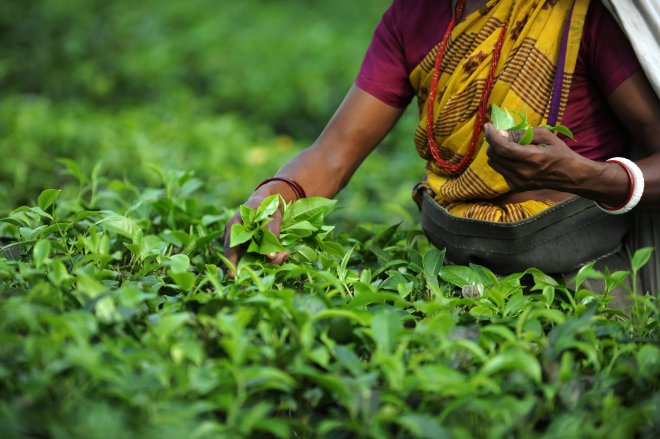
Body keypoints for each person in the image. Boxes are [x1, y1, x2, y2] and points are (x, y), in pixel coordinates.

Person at [223, 0, 660, 289]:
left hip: (584, 284)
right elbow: (332, 155)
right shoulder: (414, 16)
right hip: (456, 275)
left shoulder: (578, 14)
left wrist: (588, 176)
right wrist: (267, 201)